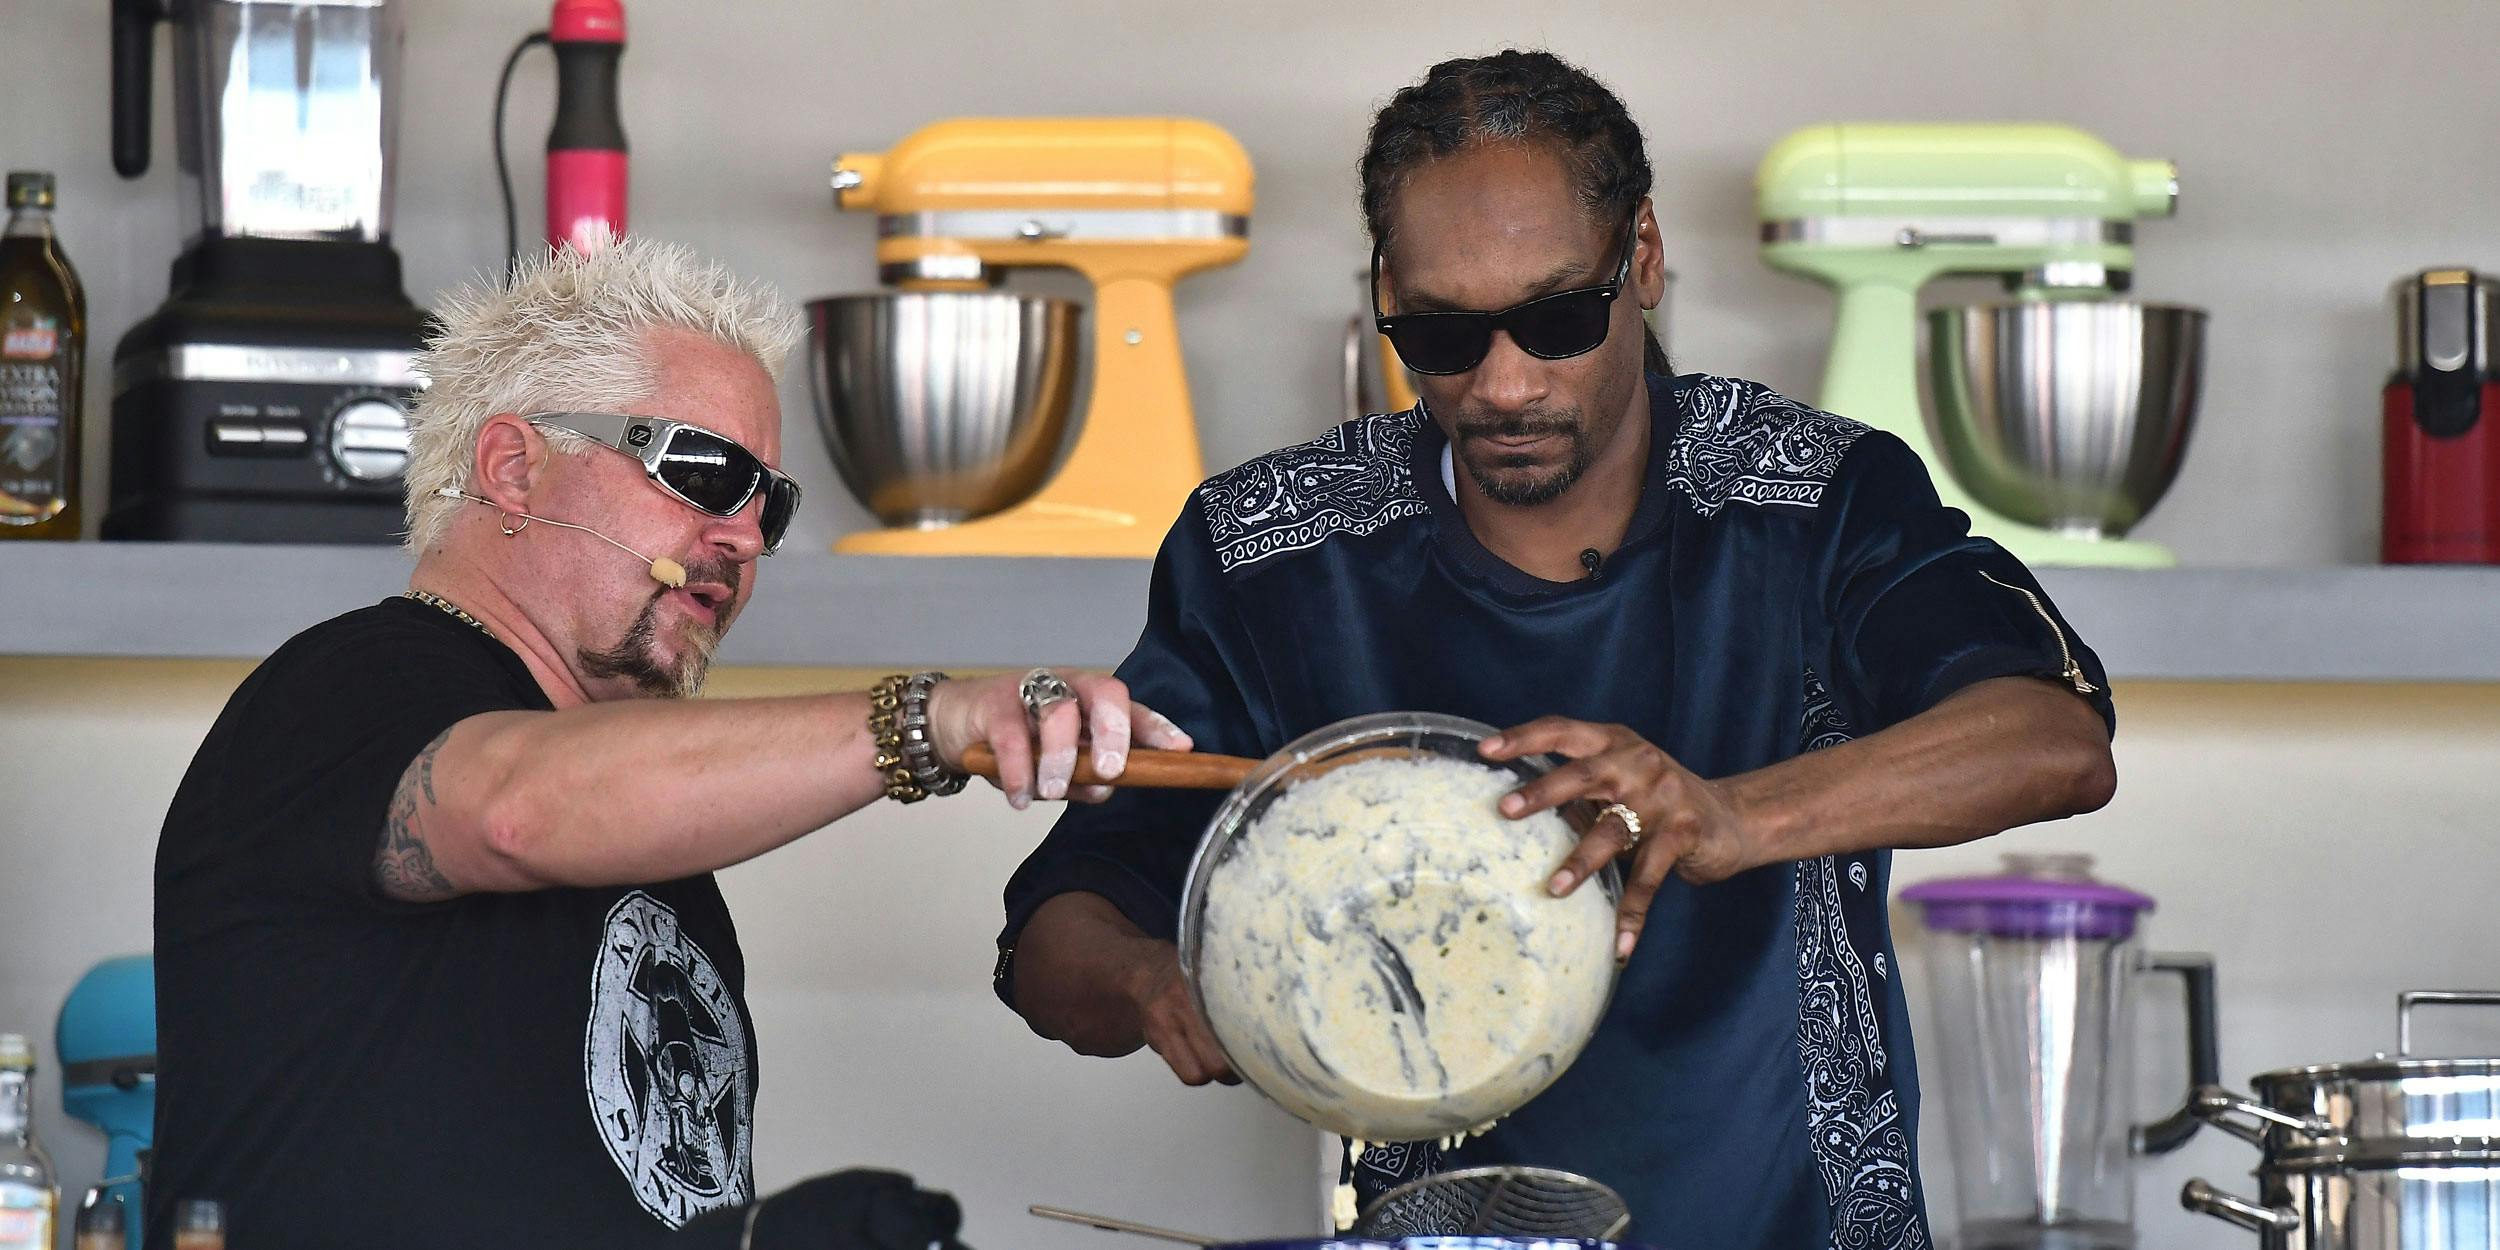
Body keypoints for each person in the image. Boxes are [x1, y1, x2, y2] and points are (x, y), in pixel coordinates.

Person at [993, 50, 2118, 1250]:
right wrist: (1157, 981)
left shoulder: (1810, 496)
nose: (1504, 381)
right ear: (1384, 291)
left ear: (1640, 259)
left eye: (1556, 317)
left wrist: (1730, 813)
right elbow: (1054, 928)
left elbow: (2052, 733)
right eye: (1439, 332)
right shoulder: (1275, 550)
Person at [148, 235, 1187, 1250]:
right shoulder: (348, 681)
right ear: (513, 467)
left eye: (768, 501)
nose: (742, 532)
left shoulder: (654, 833)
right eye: (699, 467)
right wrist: (928, 720)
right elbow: (510, 807)